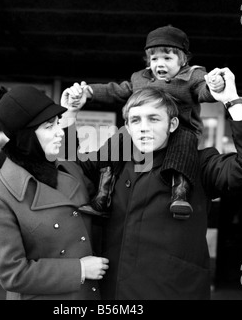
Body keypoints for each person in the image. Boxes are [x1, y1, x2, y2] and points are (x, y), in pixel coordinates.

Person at [61, 67, 242, 299]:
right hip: (114, 295)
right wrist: (70, 113)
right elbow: (68, 166)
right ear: (127, 128)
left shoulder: (200, 164)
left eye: (154, 118)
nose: (144, 127)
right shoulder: (113, 162)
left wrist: (232, 100)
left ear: (172, 125)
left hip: (172, 291)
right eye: (136, 120)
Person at [67, 25, 225, 220]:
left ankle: (180, 195)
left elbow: (204, 91)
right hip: (146, 132)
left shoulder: (192, 77)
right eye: (154, 58)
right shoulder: (140, 79)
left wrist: (215, 85)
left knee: (182, 148)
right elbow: (118, 90)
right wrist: (89, 92)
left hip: (181, 129)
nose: (160, 63)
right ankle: (103, 196)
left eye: (168, 58)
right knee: (116, 143)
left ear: (183, 60)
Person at [0, 85, 109, 300]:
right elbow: (12, 274)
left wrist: (72, 112)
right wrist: (79, 270)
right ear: (27, 136)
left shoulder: (67, 166)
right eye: (49, 127)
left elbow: (69, 151)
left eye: (58, 123)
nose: (59, 131)